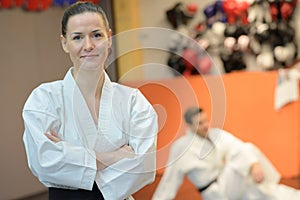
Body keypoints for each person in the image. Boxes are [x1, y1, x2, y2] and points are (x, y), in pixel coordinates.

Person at [22, 2, 158, 200]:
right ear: (64, 43)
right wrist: (114, 156)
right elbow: (45, 161)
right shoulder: (44, 99)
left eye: (97, 35)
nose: (88, 46)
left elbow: (144, 167)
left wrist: (71, 158)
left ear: (109, 38)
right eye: (77, 37)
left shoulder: (133, 102)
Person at [152, 107, 300, 200]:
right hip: (215, 193)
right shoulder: (181, 147)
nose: (205, 126)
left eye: (206, 121)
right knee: (246, 150)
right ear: (189, 126)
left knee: (261, 192)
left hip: (228, 181)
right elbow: (169, 181)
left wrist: (254, 165)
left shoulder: (215, 134)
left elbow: (236, 146)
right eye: (200, 123)